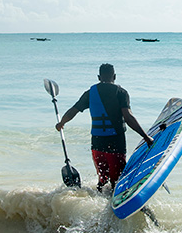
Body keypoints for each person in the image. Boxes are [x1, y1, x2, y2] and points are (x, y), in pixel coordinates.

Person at [55, 63, 155, 193]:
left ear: (98, 77)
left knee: (103, 179)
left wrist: (61, 122)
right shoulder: (121, 93)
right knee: (116, 180)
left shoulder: (90, 93)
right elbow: (128, 118)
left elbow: (73, 111)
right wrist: (146, 137)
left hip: (97, 143)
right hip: (115, 143)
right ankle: (115, 207)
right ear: (114, 76)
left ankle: (98, 202)